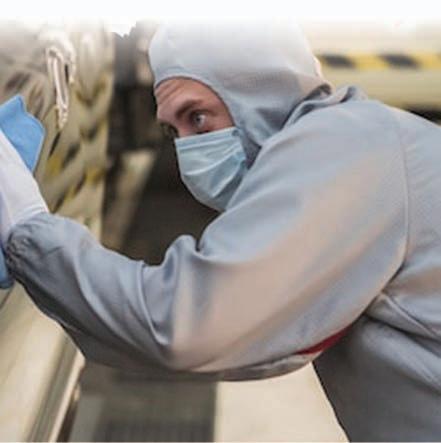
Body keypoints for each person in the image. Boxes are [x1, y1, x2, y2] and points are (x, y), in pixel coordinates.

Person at [1, 20, 441, 441]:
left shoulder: (346, 145)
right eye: (173, 130)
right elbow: (257, 338)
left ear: (259, 94)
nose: (189, 150)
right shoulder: (365, 137)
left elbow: (185, 327)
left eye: (197, 118)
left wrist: (26, 228)